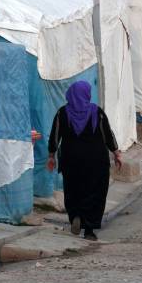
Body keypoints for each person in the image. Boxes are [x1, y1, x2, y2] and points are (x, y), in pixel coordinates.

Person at [47, 81, 122, 241]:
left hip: (71, 160)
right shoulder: (97, 112)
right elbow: (108, 134)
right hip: (96, 161)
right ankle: (89, 229)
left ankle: (76, 215)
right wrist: (116, 152)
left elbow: (55, 135)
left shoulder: (62, 113)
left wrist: (51, 155)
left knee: (73, 190)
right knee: (95, 192)